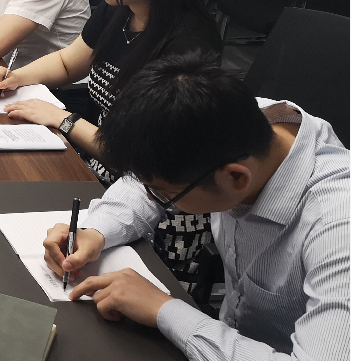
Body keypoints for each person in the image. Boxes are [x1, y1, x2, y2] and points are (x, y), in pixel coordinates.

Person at [0, 0, 222, 289]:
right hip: (105, 174)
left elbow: (143, 163)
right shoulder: (120, 8)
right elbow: (69, 62)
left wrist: (63, 120)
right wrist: (16, 77)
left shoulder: (187, 50)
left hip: (162, 204)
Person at [44, 53, 348, 361]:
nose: (153, 197)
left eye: (163, 195)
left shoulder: (336, 226)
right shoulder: (232, 122)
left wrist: (164, 310)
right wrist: (96, 231)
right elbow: (147, 181)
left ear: (235, 177)